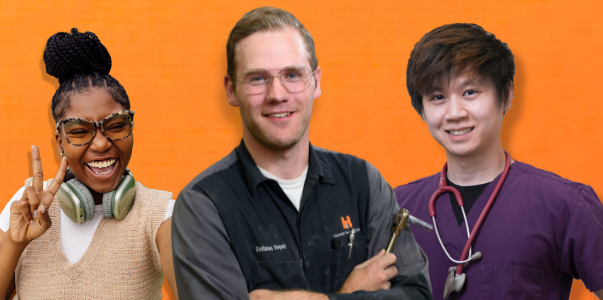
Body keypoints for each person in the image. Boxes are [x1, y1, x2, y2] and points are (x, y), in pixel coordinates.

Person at [171, 7, 431, 300]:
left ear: (316, 82)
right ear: (232, 90)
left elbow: (417, 294)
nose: (277, 94)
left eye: (292, 75)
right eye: (257, 78)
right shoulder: (203, 205)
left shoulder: (363, 182)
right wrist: (352, 293)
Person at [393, 23, 603, 300]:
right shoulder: (395, 209)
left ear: (506, 94)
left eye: (470, 92)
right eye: (438, 97)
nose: (454, 113)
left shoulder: (563, 205)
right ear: (422, 108)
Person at [0, 28, 177, 299]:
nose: (100, 144)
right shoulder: (28, 205)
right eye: (79, 131)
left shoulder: (159, 214)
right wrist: (16, 242)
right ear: (60, 142)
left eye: (116, 125)